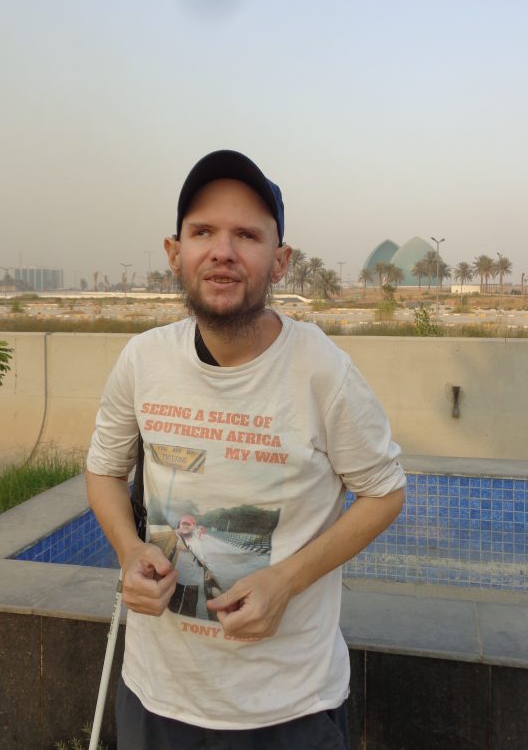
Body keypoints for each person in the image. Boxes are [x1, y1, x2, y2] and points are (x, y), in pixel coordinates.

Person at [86, 149, 406, 749]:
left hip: (288, 708)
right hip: (156, 698)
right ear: (174, 252)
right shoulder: (143, 360)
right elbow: (104, 471)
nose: (223, 251)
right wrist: (129, 551)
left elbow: (384, 493)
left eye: (248, 235)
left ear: (280, 261)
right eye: (203, 232)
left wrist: (285, 580)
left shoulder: (322, 372)